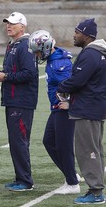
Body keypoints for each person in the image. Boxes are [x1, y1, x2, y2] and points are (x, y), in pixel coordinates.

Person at [57, 18, 106, 204]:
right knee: (95, 150)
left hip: (87, 109)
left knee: (88, 152)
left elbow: (77, 80)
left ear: (86, 35)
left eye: (77, 32)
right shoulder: (98, 53)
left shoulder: (90, 54)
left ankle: (96, 192)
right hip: (94, 107)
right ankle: (96, 188)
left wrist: (61, 86)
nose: (74, 35)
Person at [0, 12, 38, 191]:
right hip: (13, 100)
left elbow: (30, 73)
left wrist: (6, 76)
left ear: (22, 27)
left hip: (21, 101)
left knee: (20, 141)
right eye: (8, 23)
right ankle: (20, 178)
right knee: (16, 141)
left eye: (13, 24)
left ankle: (26, 181)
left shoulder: (25, 46)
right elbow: (14, 71)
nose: (9, 26)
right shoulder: (13, 45)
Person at [28, 30, 80, 194]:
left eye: (37, 51)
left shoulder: (59, 65)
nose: (36, 55)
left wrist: (69, 104)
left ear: (45, 47)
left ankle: (72, 184)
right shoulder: (54, 58)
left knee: (63, 146)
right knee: (49, 141)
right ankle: (71, 174)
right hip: (56, 107)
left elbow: (73, 85)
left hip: (63, 109)